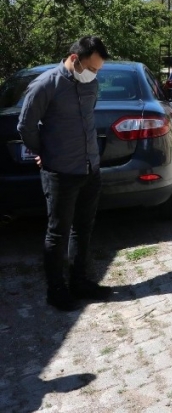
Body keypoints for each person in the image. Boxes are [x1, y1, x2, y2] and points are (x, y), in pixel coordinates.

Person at [17, 36, 112, 311]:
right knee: (58, 233)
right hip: (60, 171)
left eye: (97, 70)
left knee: (83, 228)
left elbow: (88, 118)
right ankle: (55, 290)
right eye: (91, 68)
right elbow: (25, 126)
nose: (94, 74)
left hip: (89, 168)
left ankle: (79, 282)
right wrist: (43, 152)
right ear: (74, 59)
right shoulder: (46, 84)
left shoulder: (90, 83)